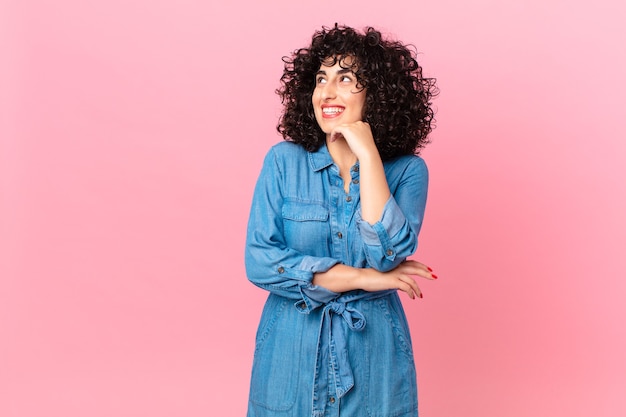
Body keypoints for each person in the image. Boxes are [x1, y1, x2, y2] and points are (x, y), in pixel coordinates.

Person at [245, 24, 438, 417]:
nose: (327, 92)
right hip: (290, 355)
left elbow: (386, 255)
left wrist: (368, 156)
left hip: (374, 359)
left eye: (345, 78)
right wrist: (362, 279)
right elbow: (260, 262)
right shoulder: (282, 162)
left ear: (377, 94)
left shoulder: (407, 172)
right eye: (321, 79)